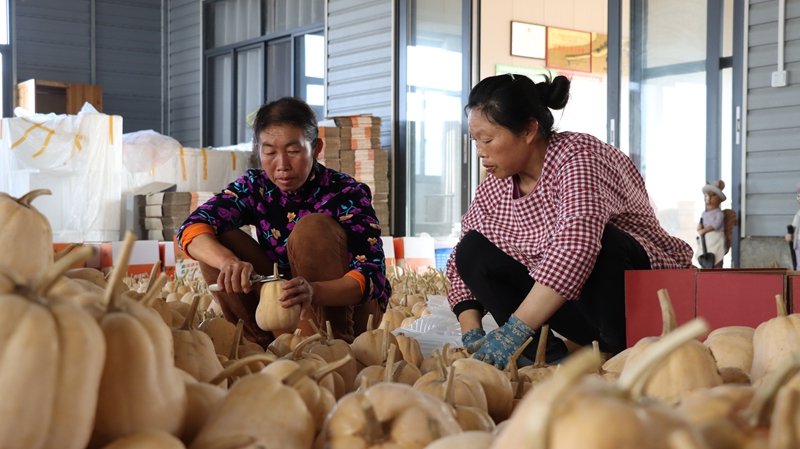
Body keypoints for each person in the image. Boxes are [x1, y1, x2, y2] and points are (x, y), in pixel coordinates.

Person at [446, 73, 694, 369]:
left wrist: (514, 331)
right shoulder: (497, 182)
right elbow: (461, 259)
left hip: (637, 296)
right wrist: (471, 330)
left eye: (487, 140)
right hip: (576, 305)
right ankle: (542, 358)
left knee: (602, 242)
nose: (480, 152)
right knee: (473, 249)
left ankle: (619, 359)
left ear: (528, 130)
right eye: (476, 141)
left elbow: (576, 249)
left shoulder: (579, 157)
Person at [177, 97, 390, 347]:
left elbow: (372, 275)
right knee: (218, 236)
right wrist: (228, 262)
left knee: (313, 228)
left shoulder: (346, 192)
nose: (282, 165)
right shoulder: (255, 186)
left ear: (316, 148)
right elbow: (190, 226)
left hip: (342, 304)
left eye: (293, 151)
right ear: (258, 150)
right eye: (270, 152)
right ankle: (258, 343)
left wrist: (314, 291)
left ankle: (331, 344)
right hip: (283, 299)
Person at [696, 180, 728, 268]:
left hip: (715, 237)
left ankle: (716, 265)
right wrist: (699, 228)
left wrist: (705, 230)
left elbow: (715, 225)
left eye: (713, 195)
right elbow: (701, 221)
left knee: (716, 252)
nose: (708, 197)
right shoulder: (704, 213)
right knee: (703, 248)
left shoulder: (719, 214)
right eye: (706, 195)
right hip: (705, 238)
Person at [785, 182, 800, 270]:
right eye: (798, 195)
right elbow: (793, 228)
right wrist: (790, 235)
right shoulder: (798, 214)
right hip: (798, 242)